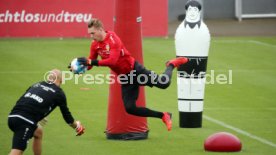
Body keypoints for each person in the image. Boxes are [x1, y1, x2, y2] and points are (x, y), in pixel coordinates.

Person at [74, 18, 188, 131]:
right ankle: (163, 115)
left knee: (164, 83)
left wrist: (91, 62)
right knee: (130, 108)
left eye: (93, 33)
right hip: (125, 78)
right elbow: (90, 64)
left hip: (135, 71)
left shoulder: (113, 39)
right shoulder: (95, 45)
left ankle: (171, 64)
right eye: (90, 34)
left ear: (100, 29)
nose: (91, 36)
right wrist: (79, 67)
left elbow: (112, 61)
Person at [8, 69, 85, 155]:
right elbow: (67, 117)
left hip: (12, 116)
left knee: (38, 132)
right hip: (25, 122)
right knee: (17, 151)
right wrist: (77, 126)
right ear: (61, 80)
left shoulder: (36, 84)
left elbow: (22, 100)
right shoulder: (59, 93)